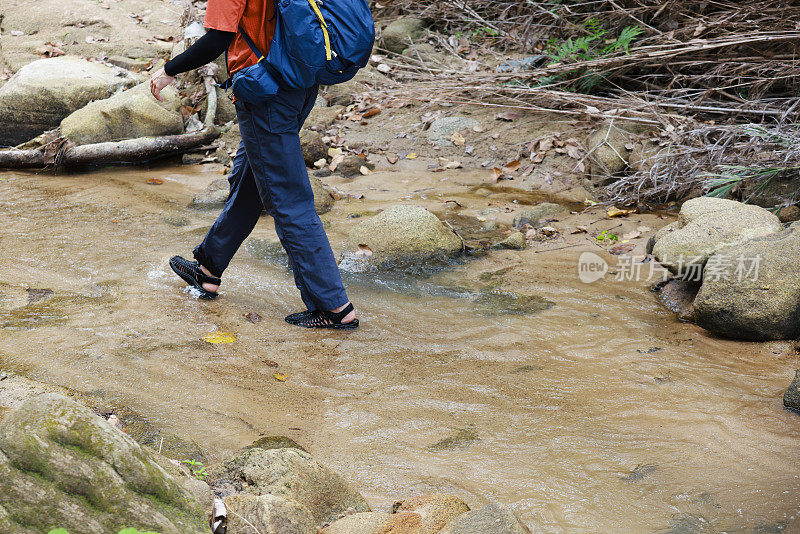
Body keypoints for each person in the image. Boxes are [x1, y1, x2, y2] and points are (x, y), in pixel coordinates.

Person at [150, 0, 357, 329]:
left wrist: (168, 71)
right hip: (299, 83)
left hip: (265, 90)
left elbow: (217, 40)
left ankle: (333, 306)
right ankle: (208, 270)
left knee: (289, 201)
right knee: (251, 180)